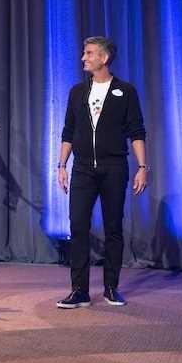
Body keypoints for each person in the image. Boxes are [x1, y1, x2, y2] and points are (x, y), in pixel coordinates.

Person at [56, 36, 147, 308]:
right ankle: (79, 291)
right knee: (78, 226)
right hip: (82, 169)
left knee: (113, 228)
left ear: (104, 58)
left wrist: (142, 167)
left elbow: (137, 132)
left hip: (114, 168)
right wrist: (62, 166)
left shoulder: (125, 91)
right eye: (84, 53)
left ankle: (111, 287)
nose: (83, 58)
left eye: (89, 53)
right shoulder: (77, 92)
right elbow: (68, 131)